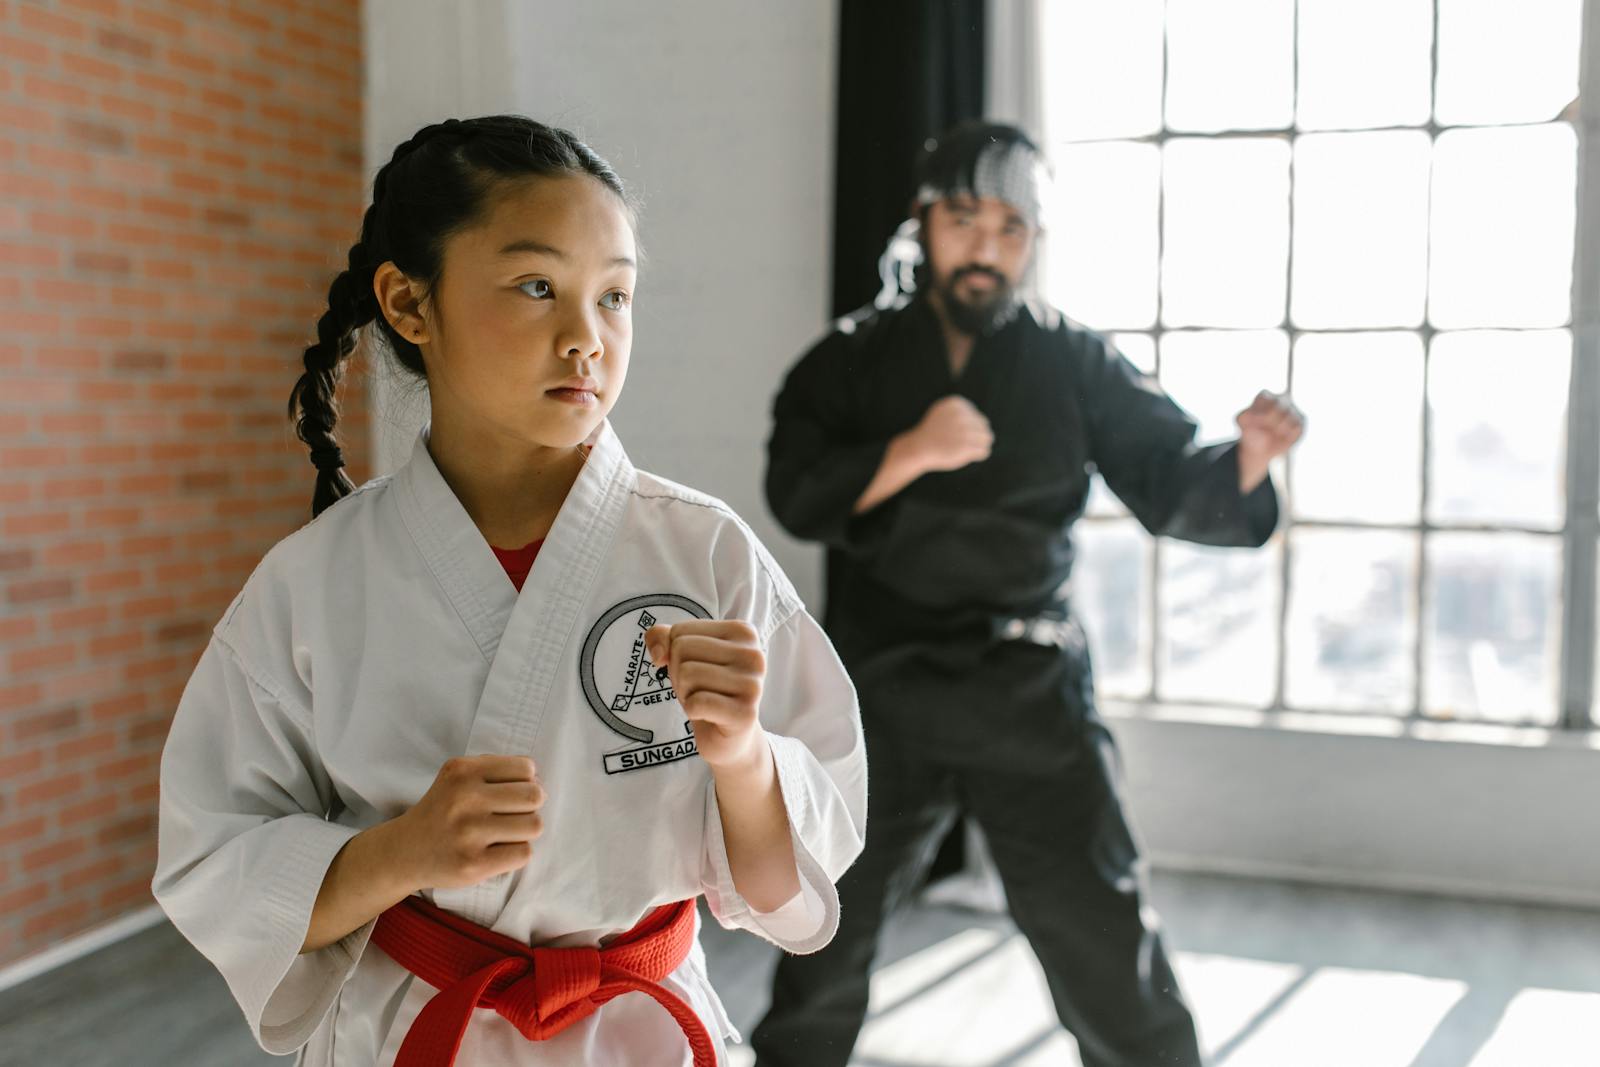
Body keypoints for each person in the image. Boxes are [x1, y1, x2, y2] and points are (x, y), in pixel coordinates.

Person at [151, 115, 867, 1067]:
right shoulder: (314, 582)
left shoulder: (705, 553)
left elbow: (786, 891)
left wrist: (741, 756)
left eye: (615, 296)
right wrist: (403, 851)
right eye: (537, 287)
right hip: (416, 1026)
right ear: (410, 304)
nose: (586, 338)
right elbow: (216, 862)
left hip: (643, 1030)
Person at [752, 121, 1303, 1067]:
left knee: (1103, 933)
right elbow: (795, 491)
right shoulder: (850, 358)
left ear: (1033, 241)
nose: (988, 248)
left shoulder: (1073, 362)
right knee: (824, 930)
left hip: (1031, 679)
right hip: (882, 685)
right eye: (966, 220)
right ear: (924, 224)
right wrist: (910, 450)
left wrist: (1248, 458)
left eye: (1012, 228)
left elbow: (1169, 473)